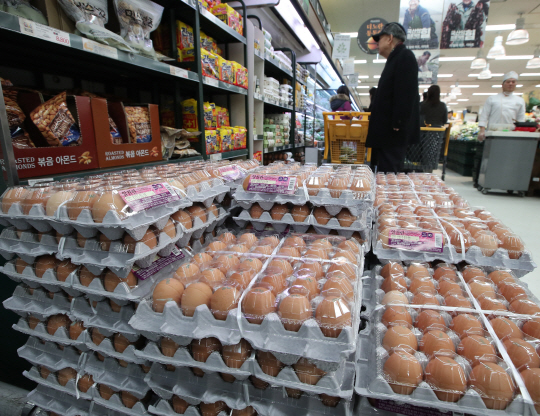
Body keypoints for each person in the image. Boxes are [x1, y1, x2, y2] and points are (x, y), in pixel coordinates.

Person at [366, 22, 420, 173]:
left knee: (389, 172)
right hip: (388, 132)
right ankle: (384, 196)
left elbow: (406, 91)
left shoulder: (405, 56)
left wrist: (399, 121)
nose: (377, 43)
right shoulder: (396, 58)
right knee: (385, 171)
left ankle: (388, 197)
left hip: (393, 132)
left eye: (380, 39)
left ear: (390, 38)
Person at [478, 71, 526, 141]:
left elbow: (521, 119)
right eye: (508, 82)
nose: (510, 84)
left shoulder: (520, 100)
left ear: (516, 84)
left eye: (513, 82)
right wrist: (482, 131)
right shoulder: (492, 98)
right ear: (502, 85)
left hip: (511, 133)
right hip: (492, 132)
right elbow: (484, 116)